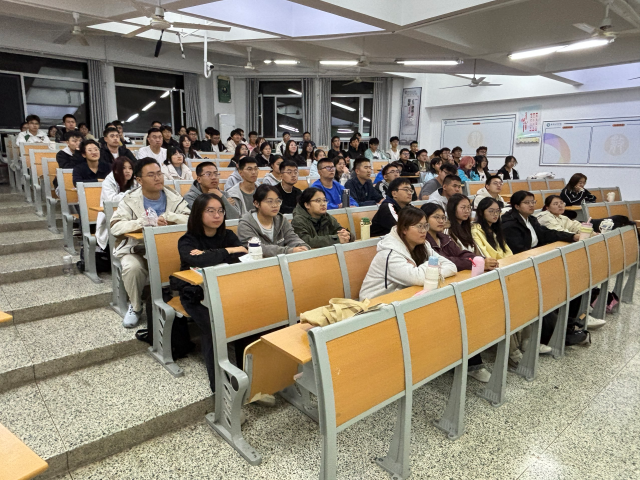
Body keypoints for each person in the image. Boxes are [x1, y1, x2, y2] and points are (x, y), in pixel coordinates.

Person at [176, 193, 248, 394]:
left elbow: (242, 254)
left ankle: (249, 375)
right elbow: (198, 261)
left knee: (247, 318)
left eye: (220, 211)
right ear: (198, 213)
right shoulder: (187, 240)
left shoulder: (228, 235)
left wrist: (214, 254)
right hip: (195, 294)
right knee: (212, 327)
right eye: (211, 211)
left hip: (226, 290)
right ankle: (220, 387)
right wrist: (228, 251)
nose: (217, 215)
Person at [110, 157, 190, 327]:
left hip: (168, 248)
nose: (157, 178)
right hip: (136, 248)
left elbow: (190, 219)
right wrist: (142, 222)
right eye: (151, 175)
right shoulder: (130, 199)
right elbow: (115, 227)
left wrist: (170, 217)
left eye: (159, 173)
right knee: (132, 267)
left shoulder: (173, 196)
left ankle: (183, 301)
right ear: (139, 180)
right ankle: (136, 306)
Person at [422, 202, 493, 382]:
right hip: (434, 289)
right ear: (424, 220)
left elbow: (460, 254)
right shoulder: (424, 240)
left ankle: (469, 358)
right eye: (436, 217)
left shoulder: (443, 237)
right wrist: (473, 262)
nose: (441, 221)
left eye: (442, 217)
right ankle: (471, 364)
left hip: (451, 284)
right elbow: (446, 261)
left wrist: (478, 259)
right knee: (463, 314)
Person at [359, 207, 457, 300]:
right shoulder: (389, 253)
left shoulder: (423, 245)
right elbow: (418, 278)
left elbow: (452, 267)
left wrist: (432, 270)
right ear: (404, 229)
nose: (424, 231)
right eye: (419, 226)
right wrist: (432, 265)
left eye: (425, 226)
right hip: (375, 303)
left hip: (401, 297)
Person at [237, 184, 310, 256]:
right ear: (256, 203)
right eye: (270, 201)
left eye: (278, 201)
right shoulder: (245, 224)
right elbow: (257, 248)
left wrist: (302, 246)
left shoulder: (281, 220)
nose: (275, 205)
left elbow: (292, 238)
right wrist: (288, 251)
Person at [502, 190, 578, 255]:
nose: (531, 205)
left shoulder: (531, 219)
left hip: (535, 252)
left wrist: (572, 237)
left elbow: (546, 233)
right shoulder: (509, 224)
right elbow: (519, 250)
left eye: (533, 202)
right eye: (527, 203)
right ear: (517, 206)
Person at [96, 157, 136, 251]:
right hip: (110, 218)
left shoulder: (134, 181)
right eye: (124, 168)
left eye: (130, 168)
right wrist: (130, 193)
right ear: (116, 170)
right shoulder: (108, 182)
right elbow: (112, 201)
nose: (128, 171)